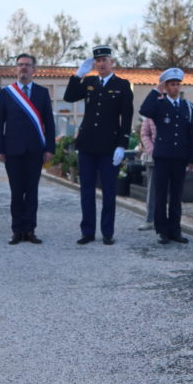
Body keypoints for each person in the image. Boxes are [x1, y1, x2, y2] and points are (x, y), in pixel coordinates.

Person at [63, 45, 133, 245]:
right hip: (87, 145)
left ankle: (107, 232)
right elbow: (69, 97)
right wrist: (78, 75)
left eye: (105, 60)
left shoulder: (122, 85)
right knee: (86, 190)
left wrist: (122, 145)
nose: (101, 64)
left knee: (109, 191)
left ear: (112, 62)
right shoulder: (90, 82)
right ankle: (87, 231)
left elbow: (126, 118)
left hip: (109, 146)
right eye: (98, 61)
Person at [0, 53, 55, 244]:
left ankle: (30, 230)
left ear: (34, 70)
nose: (23, 68)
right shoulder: (6, 93)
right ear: (16, 68)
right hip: (12, 151)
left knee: (32, 192)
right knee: (16, 191)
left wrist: (49, 148)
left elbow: (49, 123)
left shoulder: (42, 93)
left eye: (27, 65)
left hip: (35, 151)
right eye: (20, 65)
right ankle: (16, 230)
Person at [138, 68, 193, 245]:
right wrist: (157, 90)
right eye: (171, 84)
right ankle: (162, 230)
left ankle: (175, 230)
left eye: (177, 84)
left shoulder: (187, 106)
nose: (175, 87)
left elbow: (189, 134)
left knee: (177, 196)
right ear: (166, 86)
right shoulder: (159, 104)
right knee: (161, 195)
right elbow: (144, 109)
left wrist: (192, 159)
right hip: (163, 157)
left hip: (179, 157)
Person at [137, 115, 157, 230]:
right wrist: (153, 150)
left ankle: (168, 220)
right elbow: (145, 134)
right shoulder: (150, 113)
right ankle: (150, 219)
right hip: (153, 157)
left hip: (170, 156)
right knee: (152, 189)